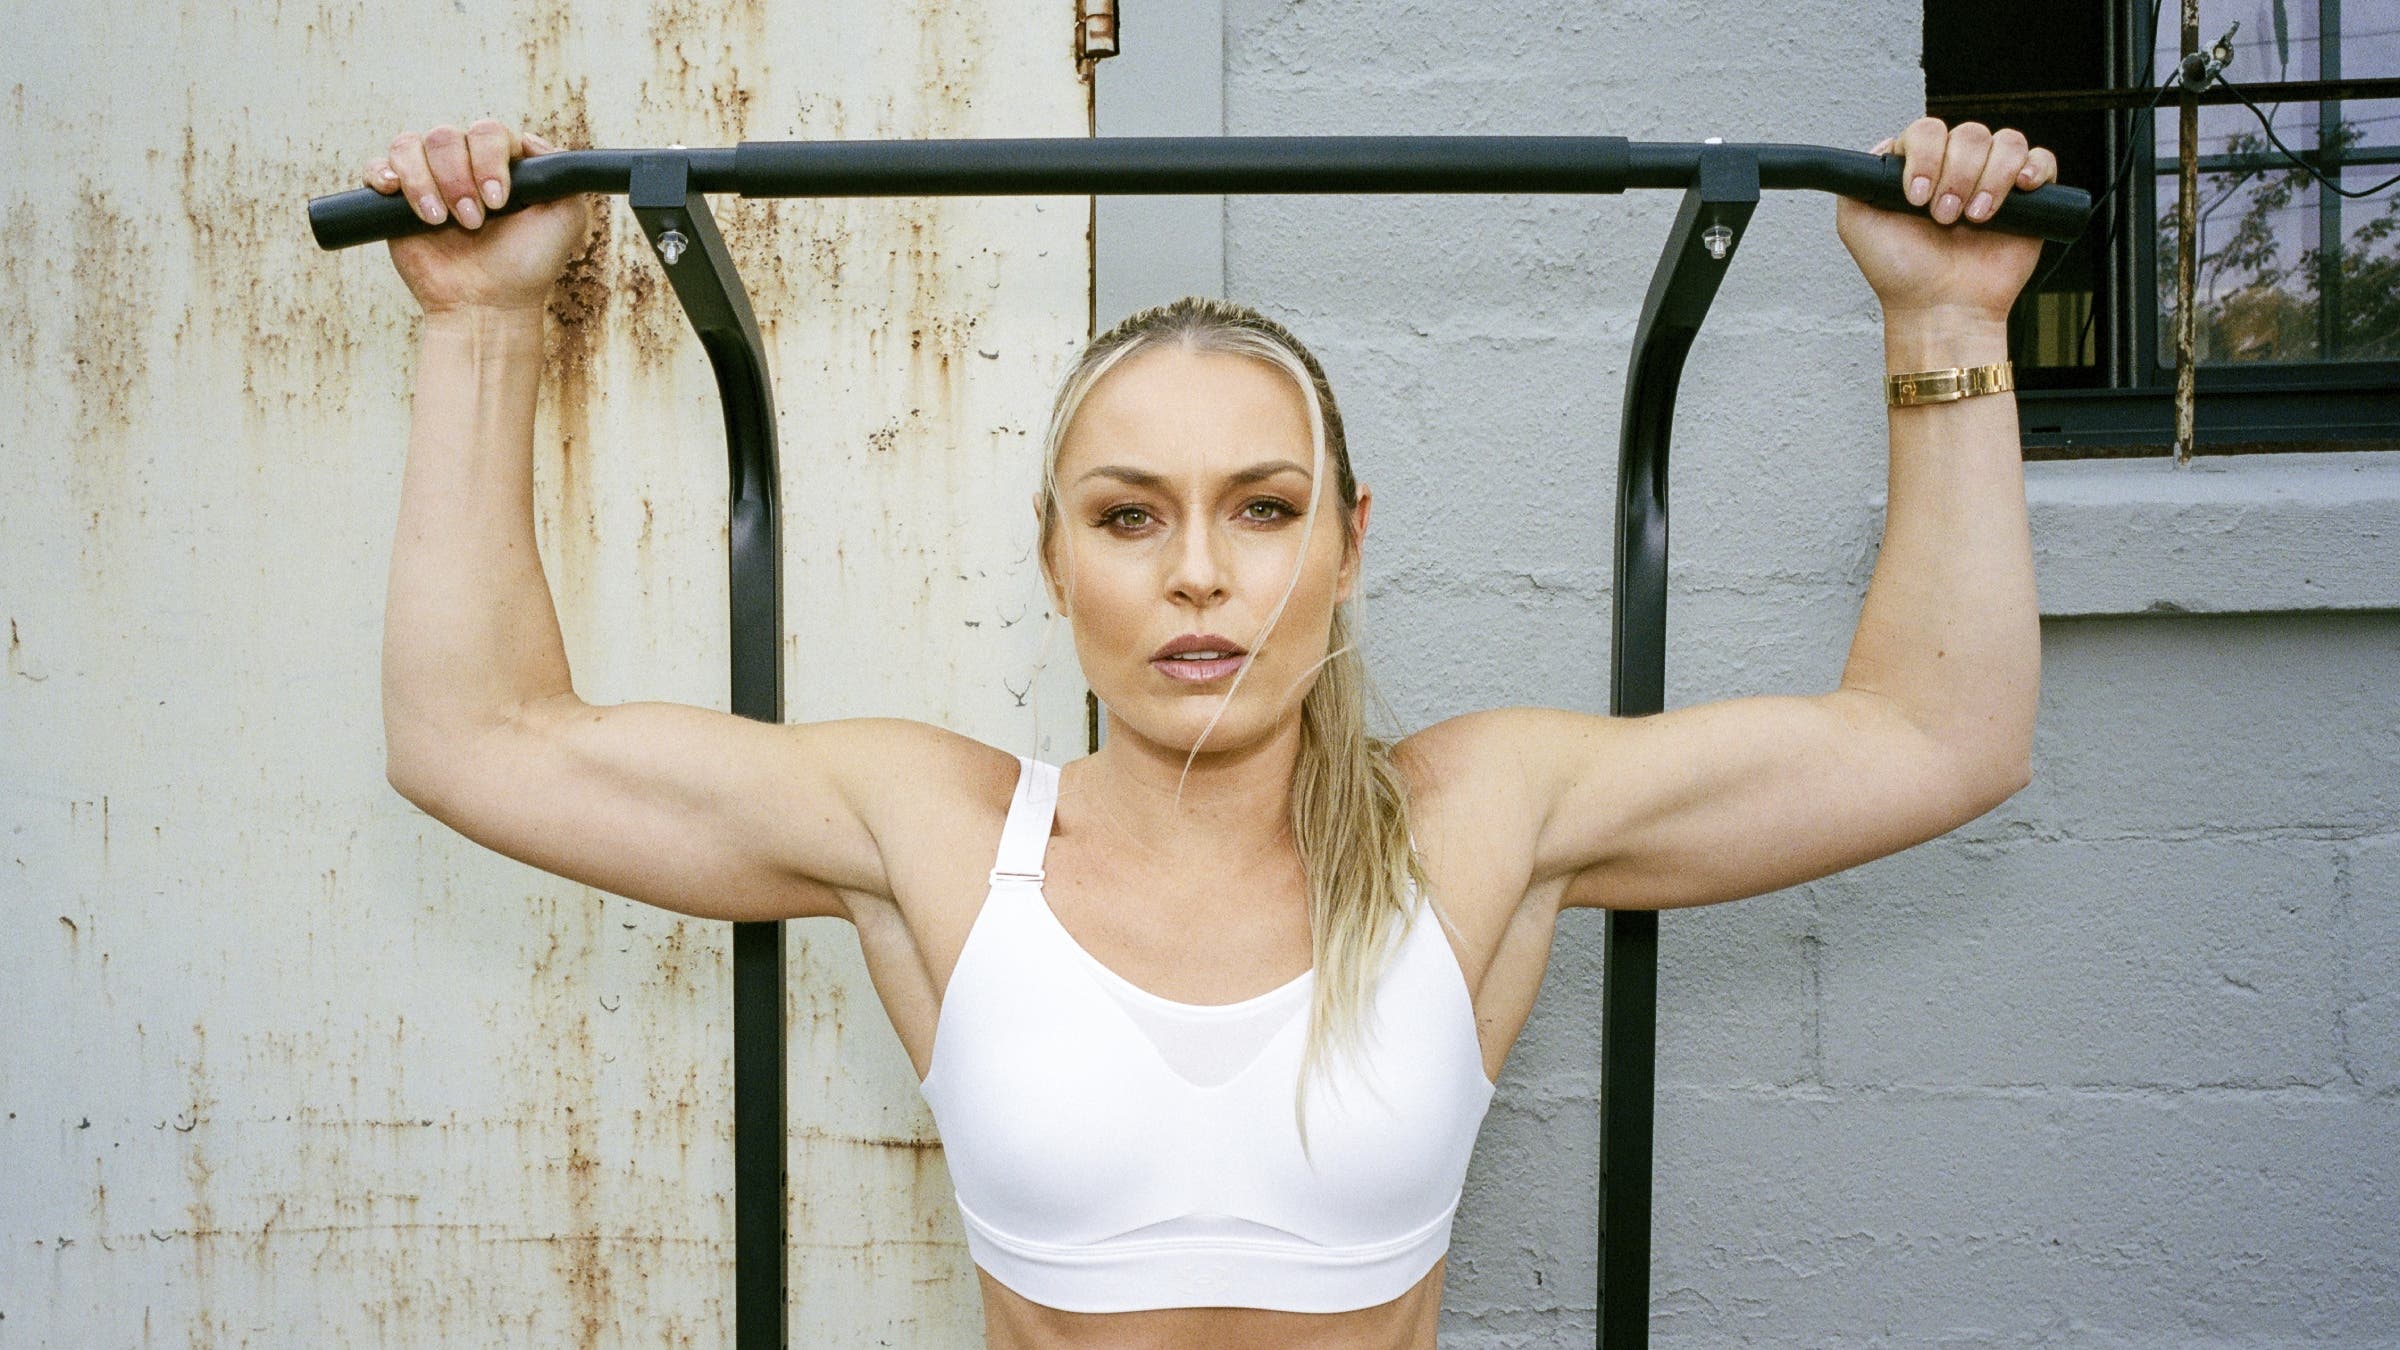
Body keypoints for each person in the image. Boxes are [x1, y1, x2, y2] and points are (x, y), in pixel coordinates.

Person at [367, 114, 2055, 1349]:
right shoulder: (941, 834)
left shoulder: (1481, 818)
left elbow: (1939, 731)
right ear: (1053, 558)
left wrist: (1948, 324)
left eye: (1261, 508)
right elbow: (480, 738)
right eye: (1127, 517)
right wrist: (481, 325)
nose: (1196, 573)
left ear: (1348, 543)